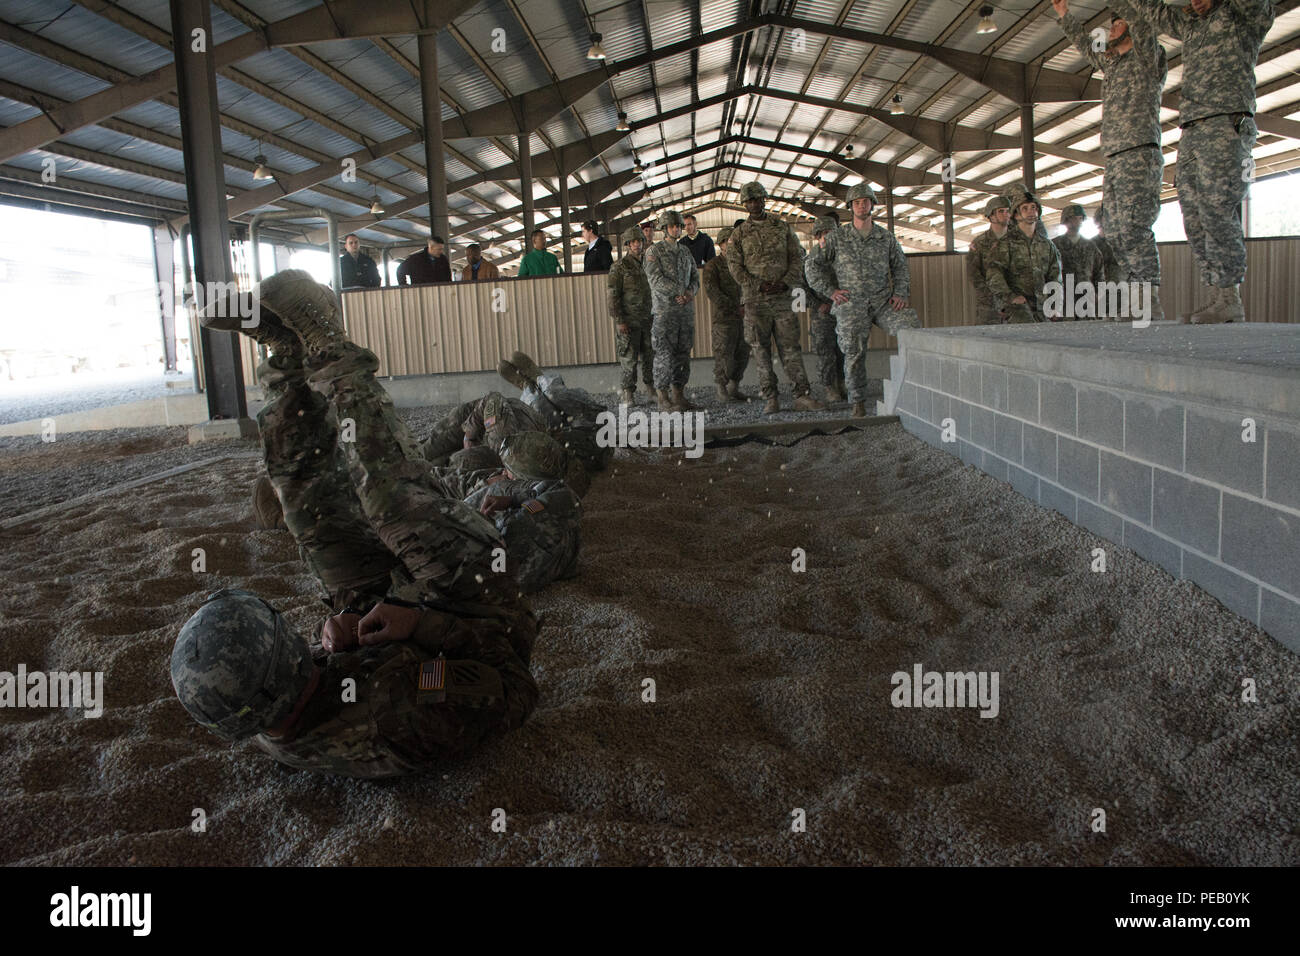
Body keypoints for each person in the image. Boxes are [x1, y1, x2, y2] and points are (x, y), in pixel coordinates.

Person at [176, 270, 538, 778]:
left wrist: (343, 630)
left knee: (307, 508)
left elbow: (306, 686)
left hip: (377, 606)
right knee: (392, 499)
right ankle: (330, 348)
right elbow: (512, 684)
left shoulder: (259, 714)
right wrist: (421, 623)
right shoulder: (402, 712)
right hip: (481, 605)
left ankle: (285, 357)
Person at [1109, 0, 1272, 324]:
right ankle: (1218, 295)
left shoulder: (1244, 16)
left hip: (1227, 123)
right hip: (1193, 129)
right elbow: (1149, 9)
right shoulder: (1190, 24)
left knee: (1216, 207)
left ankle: (1230, 296)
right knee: (1193, 214)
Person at [1054, 0, 1167, 321]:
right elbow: (1088, 48)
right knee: (1115, 231)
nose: (1110, 29)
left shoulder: (1148, 56)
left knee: (1135, 226)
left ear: (1131, 25)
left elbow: (1144, 22)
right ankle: (1135, 295)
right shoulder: (1112, 65)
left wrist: (1129, 10)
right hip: (1115, 157)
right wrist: (1064, 16)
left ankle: (1148, 297)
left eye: (1116, 23)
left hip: (1140, 150)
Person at [805, 185, 919, 418]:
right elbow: (811, 265)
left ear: (872, 205)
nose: (862, 205)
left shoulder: (885, 237)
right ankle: (857, 401)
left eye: (866, 201)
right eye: (857, 202)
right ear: (850, 206)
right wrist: (831, 291)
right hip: (851, 302)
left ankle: (912, 388)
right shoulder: (837, 237)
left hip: (881, 300)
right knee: (854, 350)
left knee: (911, 328)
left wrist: (900, 293)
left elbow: (900, 267)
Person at [728, 181, 825, 415]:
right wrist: (757, 284)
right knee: (760, 351)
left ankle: (802, 395)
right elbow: (734, 266)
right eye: (749, 201)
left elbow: (797, 258)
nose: (754, 204)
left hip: (782, 299)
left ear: (764, 200)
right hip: (755, 301)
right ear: (744, 204)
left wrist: (785, 281)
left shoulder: (782, 228)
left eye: (757, 199)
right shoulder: (739, 234)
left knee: (790, 348)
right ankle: (771, 398)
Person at [498, 350, 615, 474]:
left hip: (585, 444)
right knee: (554, 397)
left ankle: (529, 385)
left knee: (543, 402)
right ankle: (537, 381)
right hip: (594, 435)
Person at [644, 209, 701, 412]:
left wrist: (689, 293)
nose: (677, 229)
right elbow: (655, 280)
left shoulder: (685, 251)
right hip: (665, 313)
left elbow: (695, 277)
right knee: (663, 355)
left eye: (679, 226)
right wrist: (679, 290)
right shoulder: (654, 252)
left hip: (684, 313)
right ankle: (663, 397)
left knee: (683, 354)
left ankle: (679, 395)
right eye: (672, 226)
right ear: (664, 229)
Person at [985, 189, 1063, 324]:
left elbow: (1055, 276)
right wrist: (1010, 297)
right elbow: (994, 275)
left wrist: (1055, 304)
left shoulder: (1047, 245)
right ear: (1016, 214)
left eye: (1034, 208)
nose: (1031, 211)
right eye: (1025, 208)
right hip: (1017, 309)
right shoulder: (1005, 243)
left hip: (1043, 308)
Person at [702, 225, 751, 403]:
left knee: (743, 353)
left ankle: (734, 387)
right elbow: (712, 291)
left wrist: (746, 305)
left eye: (732, 241)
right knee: (724, 355)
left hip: (745, 317)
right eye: (725, 242)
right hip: (724, 318)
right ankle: (721, 389)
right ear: (720, 244)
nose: (728, 245)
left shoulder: (743, 264)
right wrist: (734, 306)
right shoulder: (712, 266)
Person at [606, 226, 654, 404]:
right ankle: (628, 393)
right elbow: (612, 296)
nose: (637, 245)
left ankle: (651, 390)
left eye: (639, 241)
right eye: (633, 242)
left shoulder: (650, 263)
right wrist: (619, 320)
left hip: (649, 320)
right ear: (627, 244)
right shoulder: (619, 267)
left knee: (651, 356)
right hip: (629, 320)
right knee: (629, 358)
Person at [804, 217, 846, 403]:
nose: (827, 237)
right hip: (822, 313)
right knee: (825, 352)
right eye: (823, 234)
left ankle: (843, 383)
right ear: (817, 236)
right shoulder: (810, 259)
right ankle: (830, 387)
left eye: (830, 233)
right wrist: (818, 305)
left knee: (844, 350)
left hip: (844, 311)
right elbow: (800, 289)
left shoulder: (845, 258)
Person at [1052, 204, 1105, 316]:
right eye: (1073, 218)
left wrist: (1098, 294)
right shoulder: (1054, 245)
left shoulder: (1091, 246)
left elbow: (1099, 273)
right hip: (1064, 300)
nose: (1077, 221)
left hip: (1087, 300)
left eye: (1080, 218)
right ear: (1065, 220)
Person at [967, 197, 1012, 324]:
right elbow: (973, 274)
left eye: (1007, 211)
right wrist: (992, 298)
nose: (1006, 215)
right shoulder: (980, 243)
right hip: (989, 306)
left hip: (1014, 303)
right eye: (1001, 211)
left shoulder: (1017, 241)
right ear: (991, 216)